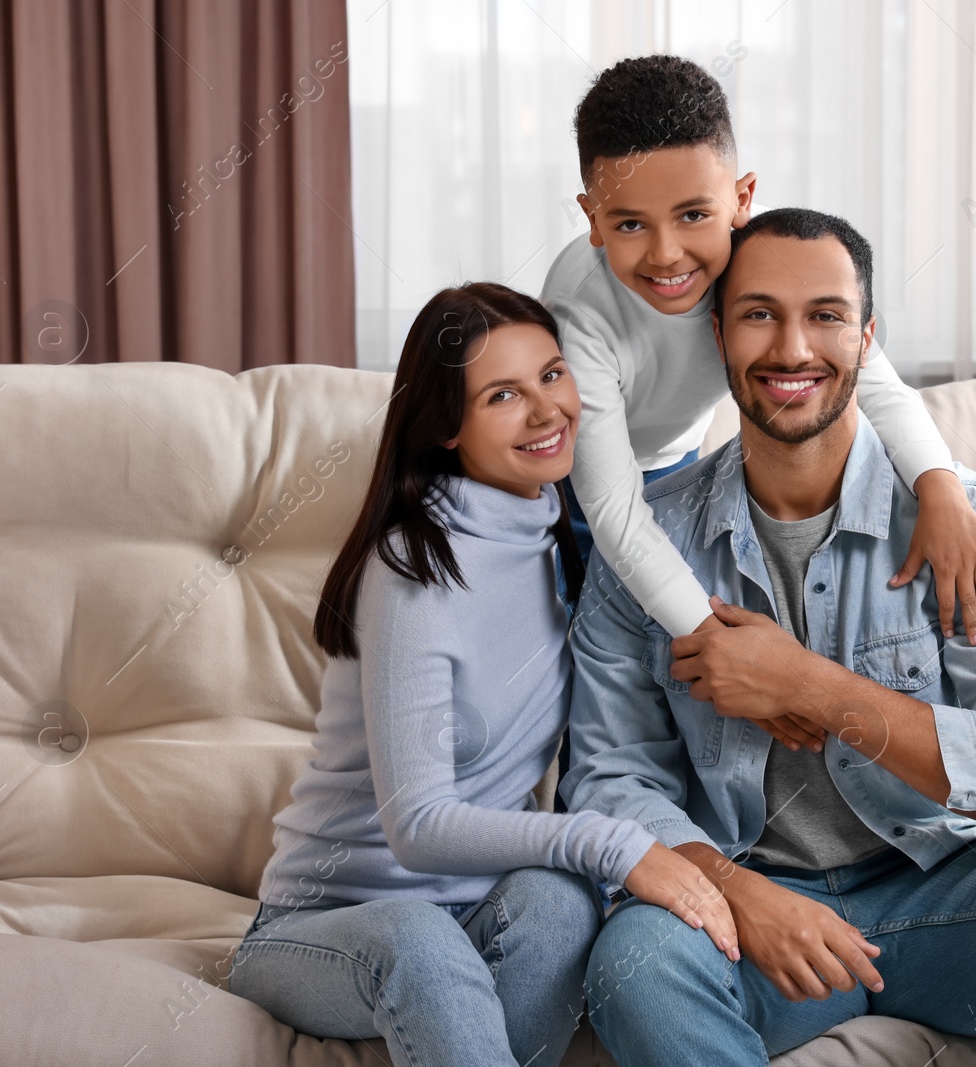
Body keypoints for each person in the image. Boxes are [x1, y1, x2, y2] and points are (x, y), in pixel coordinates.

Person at [560, 209, 976, 1067]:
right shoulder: (645, 549)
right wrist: (735, 889)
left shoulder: (967, 522)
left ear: (868, 337)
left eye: (825, 315)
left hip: (948, 898)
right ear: (717, 336)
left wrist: (810, 688)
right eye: (759, 314)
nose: (793, 349)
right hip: (761, 917)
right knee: (632, 963)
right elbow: (609, 778)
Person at [226, 283, 737, 1067]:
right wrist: (617, 845)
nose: (547, 410)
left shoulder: (564, 538)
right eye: (503, 395)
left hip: (474, 913)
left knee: (562, 903)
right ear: (446, 427)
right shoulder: (412, 571)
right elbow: (419, 824)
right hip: (325, 925)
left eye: (554, 374)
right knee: (419, 936)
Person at [542, 54, 976, 668]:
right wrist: (728, 648)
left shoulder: (758, 264)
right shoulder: (580, 313)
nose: (667, 256)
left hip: (678, 466)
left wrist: (942, 491)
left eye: (694, 215)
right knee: (598, 647)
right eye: (630, 223)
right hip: (580, 486)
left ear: (742, 199)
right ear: (593, 220)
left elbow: (871, 379)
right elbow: (613, 511)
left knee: (686, 642)